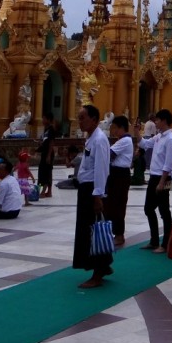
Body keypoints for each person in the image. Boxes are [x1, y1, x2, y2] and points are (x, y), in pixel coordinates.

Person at [73, 104, 112, 288]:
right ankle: (103, 266)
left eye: (83, 117)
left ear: (95, 119)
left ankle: (98, 273)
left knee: (93, 231)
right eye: (79, 117)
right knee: (88, 230)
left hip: (92, 191)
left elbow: (101, 169)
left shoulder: (99, 140)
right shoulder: (90, 138)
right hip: (86, 189)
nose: (80, 121)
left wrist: (98, 196)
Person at [137, 108, 172, 252]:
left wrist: (162, 182)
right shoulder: (159, 137)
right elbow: (145, 144)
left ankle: (165, 243)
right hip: (154, 176)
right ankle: (154, 240)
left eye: (158, 120)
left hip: (165, 178)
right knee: (149, 208)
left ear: (164, 121)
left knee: (164, 209)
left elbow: (168, 163)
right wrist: (137, 132)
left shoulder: (171, 139)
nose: (156, 122)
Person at [106, 115, 134, 247]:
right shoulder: (120, 141)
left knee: (118, 205)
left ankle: (119, 234)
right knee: (112, 203)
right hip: (115, 174)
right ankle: (113, 232)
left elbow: (108, 154)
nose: (113, 131)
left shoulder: (125, 141)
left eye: (115, 128)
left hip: (120, 175)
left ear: (122, 128)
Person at [37, 112, 57, 198]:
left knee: (45, 172)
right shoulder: (46, 129)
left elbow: (51, 142)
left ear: (48, 119)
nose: (43, 120)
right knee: (45, 171)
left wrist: (49, 155)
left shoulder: (51, 129)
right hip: (45, 152)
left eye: (44, 118)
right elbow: (46, 141)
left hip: (48, 153)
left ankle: (43, 191)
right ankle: (49, 191)